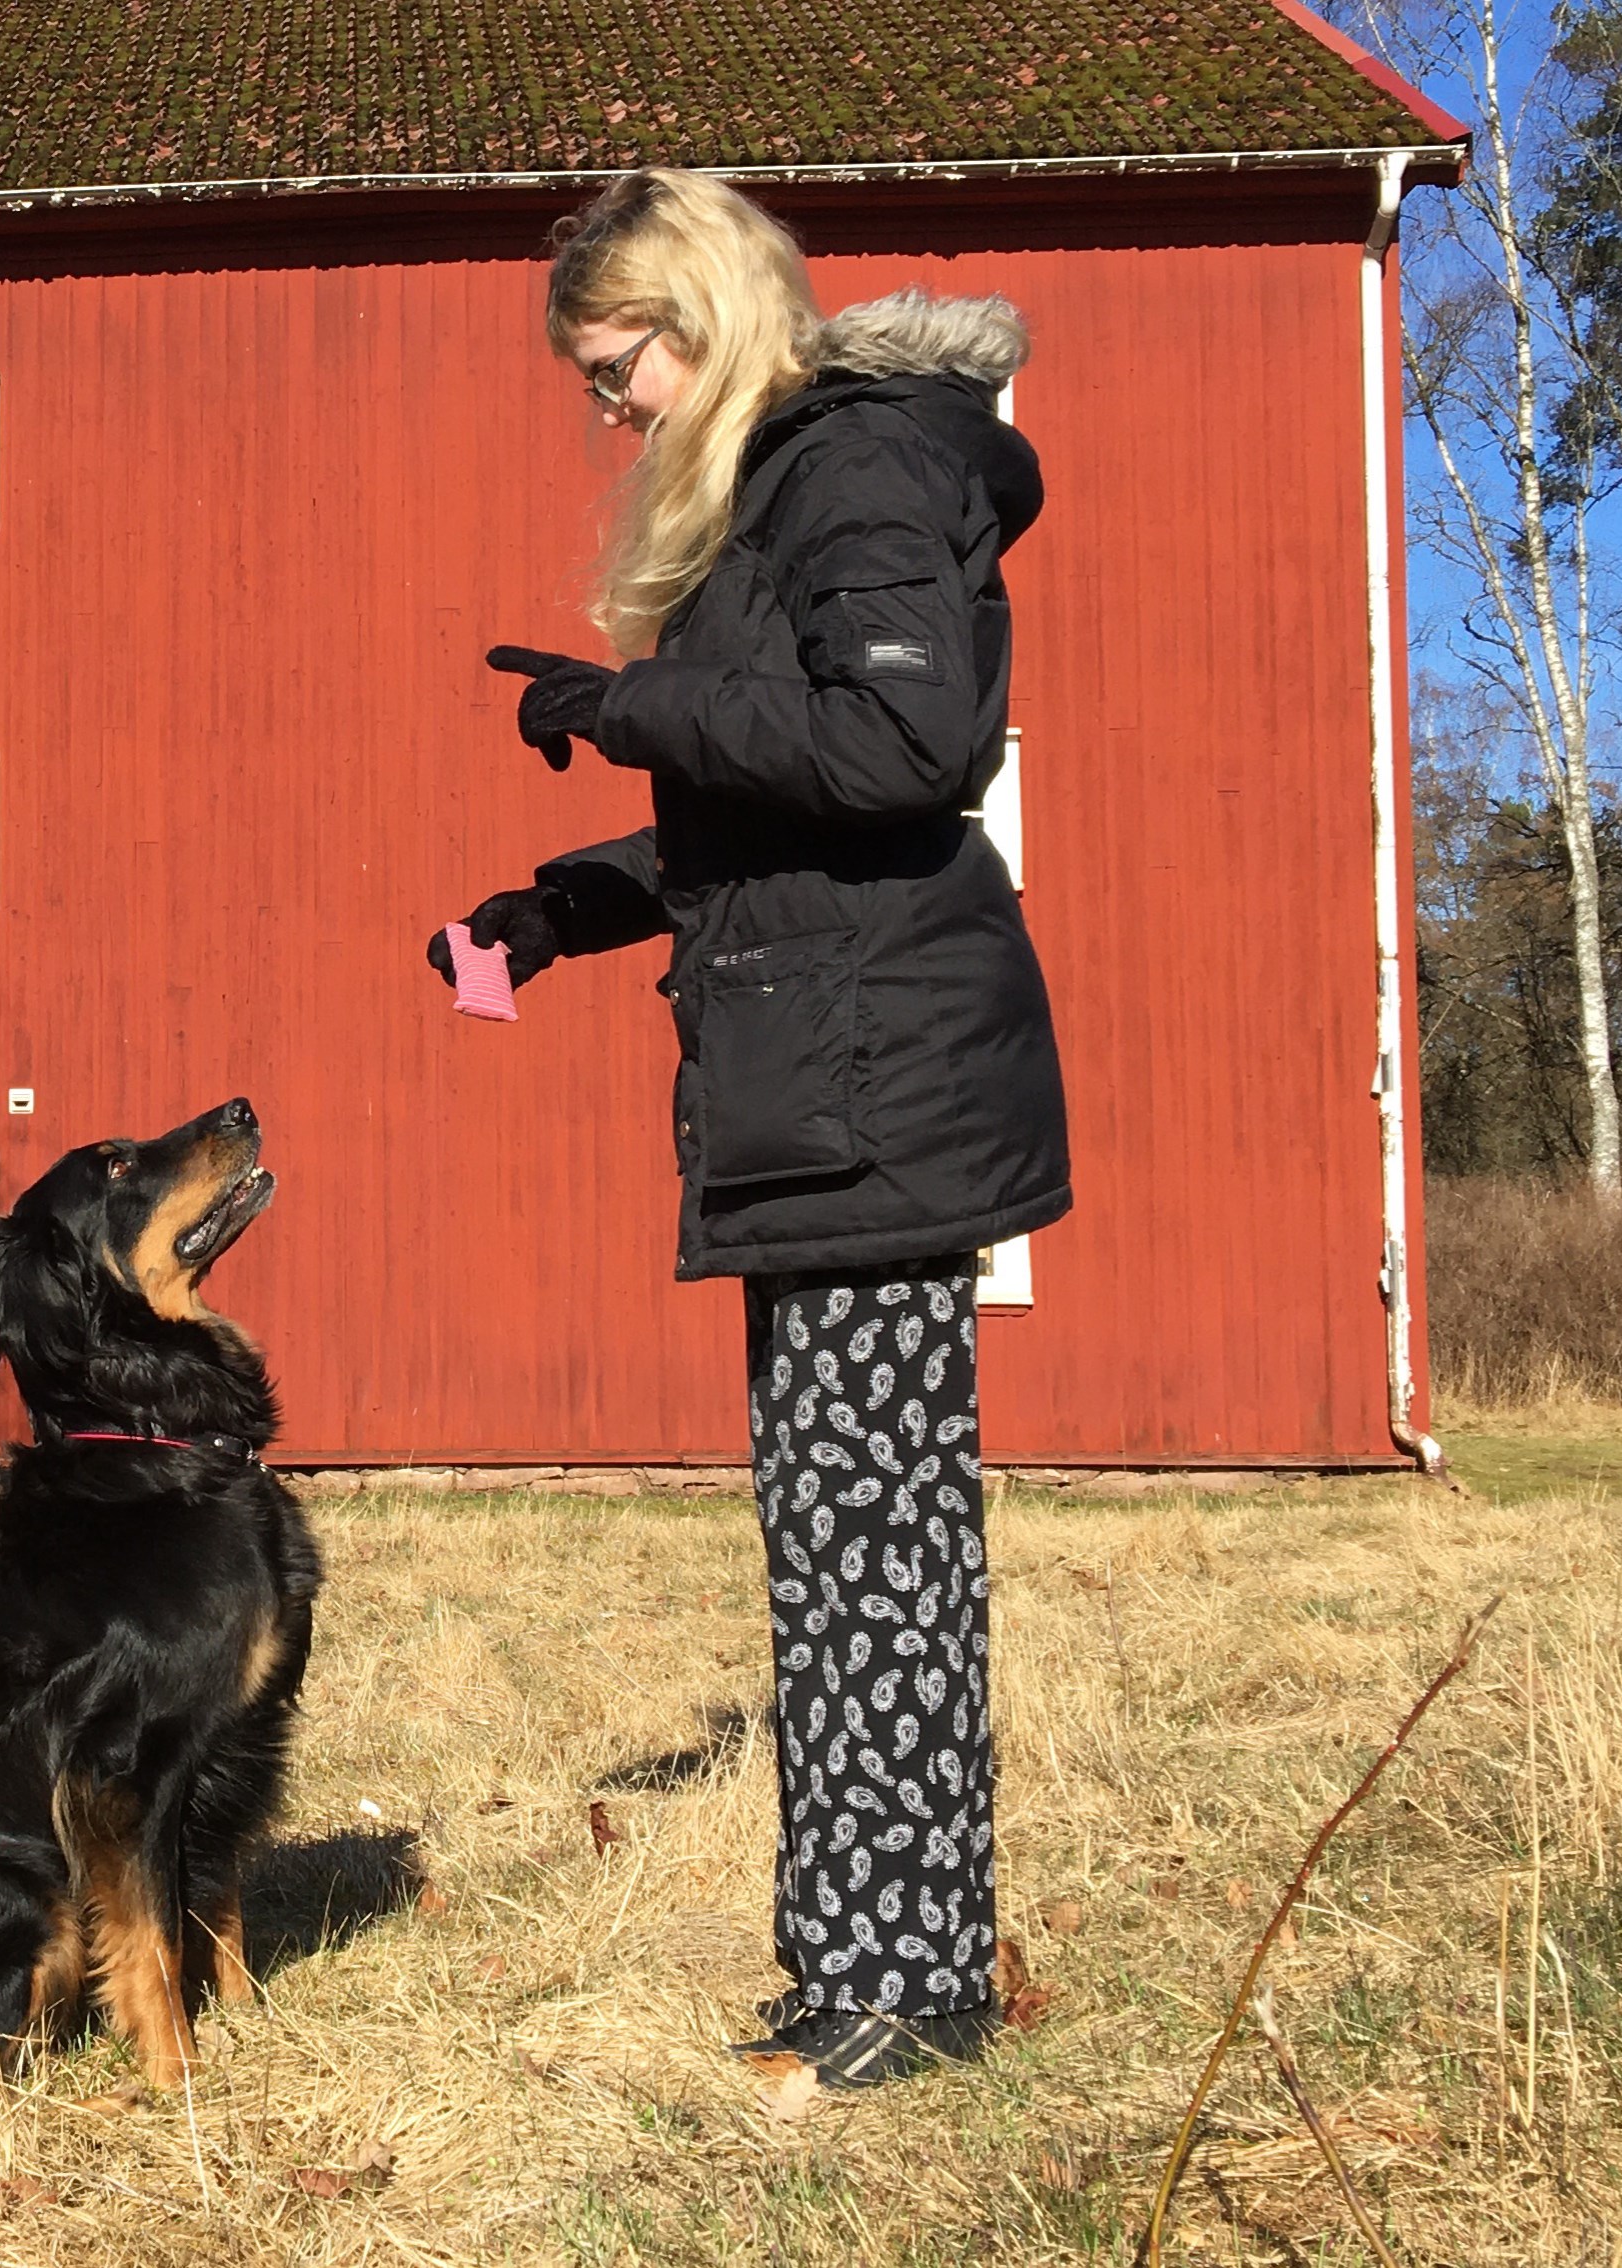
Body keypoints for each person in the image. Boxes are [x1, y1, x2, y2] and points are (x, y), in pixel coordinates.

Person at [430, 168, 1067, 2088]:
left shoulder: (852, 472)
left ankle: (906, 1990)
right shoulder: (798, 485)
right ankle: (863, 1964)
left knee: (876, 1550)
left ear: (697, 323)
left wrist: (638, 709)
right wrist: (565, 908)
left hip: (876, 1079)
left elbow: (900, 751)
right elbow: (778, 813)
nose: (605, 412)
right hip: (823, 1064)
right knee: (840, 1539)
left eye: (615, 369)